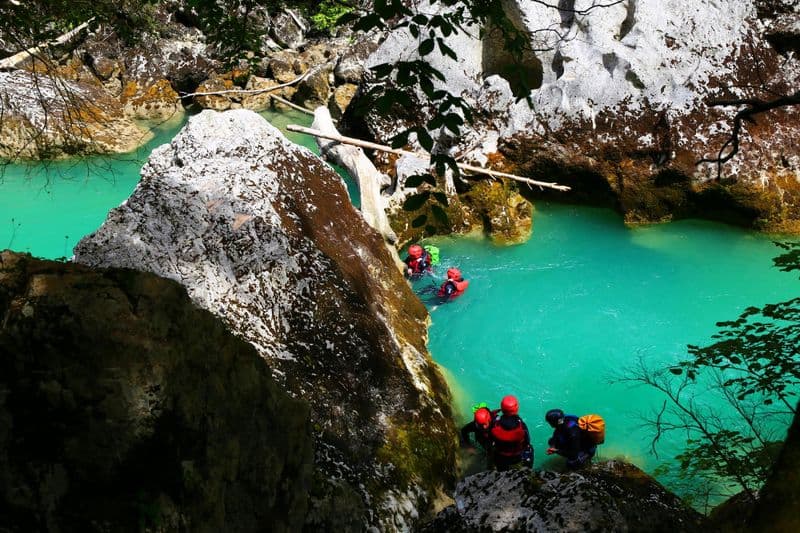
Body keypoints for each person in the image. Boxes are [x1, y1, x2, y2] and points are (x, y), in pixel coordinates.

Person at [489, 395, 533, 471]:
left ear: (502, 408)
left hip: (500, 456)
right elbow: (527, 441)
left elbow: (491, 438)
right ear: (517, 408)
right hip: (516, 457)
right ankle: (527, 469)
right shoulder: (521, 426)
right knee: (530, 448)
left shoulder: (495, 423)